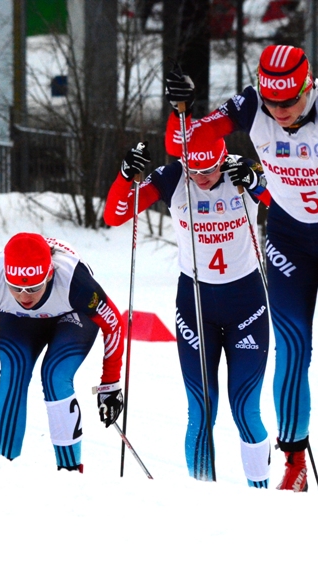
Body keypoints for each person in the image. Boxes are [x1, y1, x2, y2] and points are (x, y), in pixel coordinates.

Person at [164, 45, 318, 495]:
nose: (281, 112)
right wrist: (181, 112)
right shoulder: (252, 103)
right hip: (290, 239)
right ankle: (293, 464)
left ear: (307, 86)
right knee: (291, 349)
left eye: (289, 102)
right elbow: (184, 143)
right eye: (273, 103)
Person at [103, 130, 273, 487]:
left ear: (222, 158)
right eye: (193, 170)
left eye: (209, 170)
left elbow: (282, 205)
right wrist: (124, 176)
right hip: (195, 306)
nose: (201, 178)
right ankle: (201, 496)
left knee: (245, 408)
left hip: (247, 306)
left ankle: (261, 498)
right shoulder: (172, 178)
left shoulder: (242, 170)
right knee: (201, 408)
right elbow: (115, 215)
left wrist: (256, 183)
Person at [0, 232, 126, 470]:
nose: (24, 296)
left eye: (33, 288)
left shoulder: (73, 279)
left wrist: (110, 384)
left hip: (71, 316)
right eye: (15, 288)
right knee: (14, 369)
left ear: (49, 275)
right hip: (21, 321)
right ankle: (4, 467)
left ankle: (70, 470)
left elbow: (113, 324)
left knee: (55, 375)